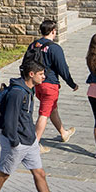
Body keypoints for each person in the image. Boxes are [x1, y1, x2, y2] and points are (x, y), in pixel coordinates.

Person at [0, 58, 78, 192]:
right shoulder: (17, 93)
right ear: (31, 74)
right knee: (4, 173)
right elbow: (10, 120)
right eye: (41, 74)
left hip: (29, 140)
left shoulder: (28, 89)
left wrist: (31, 137)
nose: (44, 77)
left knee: (39, 173)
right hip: (17, 142)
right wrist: (14, 142)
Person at [29, 20, 78, 153]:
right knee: (44, 114)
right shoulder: (55, 48)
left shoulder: (34, 45)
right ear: (53, 32)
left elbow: (27, 63)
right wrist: (71, 84)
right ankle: (34, 144)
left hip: (37, 84)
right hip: (50, 85)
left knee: (52, 109)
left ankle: (63, 133)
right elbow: (63, 68)